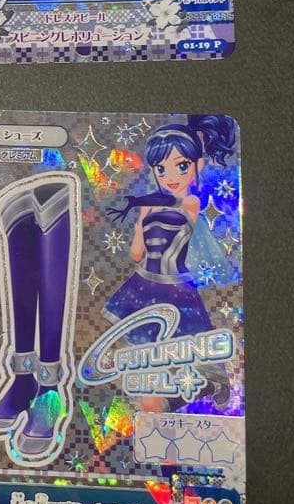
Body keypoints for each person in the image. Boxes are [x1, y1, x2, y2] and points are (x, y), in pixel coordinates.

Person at [102, 114, 237, 405]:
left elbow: (174, 204)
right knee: (145, 353)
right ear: (154, 170)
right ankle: (159, 398)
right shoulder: (149, 205)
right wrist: (141, 212)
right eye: (161, 168)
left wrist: (142, 204)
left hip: (175, 287)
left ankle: (204, 388)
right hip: (145, 284)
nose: (171, 176)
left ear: (197, 165)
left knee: (193, 347)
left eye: (182, 166)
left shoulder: (191, 203)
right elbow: (135, 252)